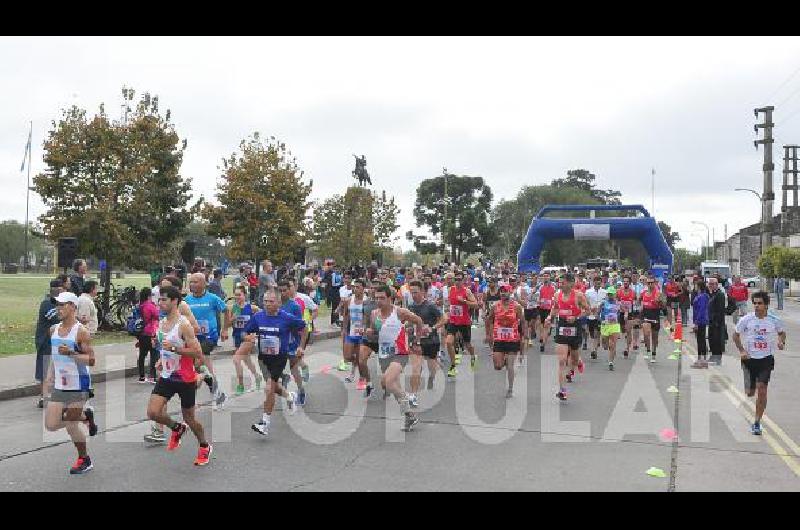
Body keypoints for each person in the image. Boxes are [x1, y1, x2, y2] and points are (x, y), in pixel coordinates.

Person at [146, 286, 212, 466]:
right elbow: (164, 346)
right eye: (159, 300)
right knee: (152, 412)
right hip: (167, 376)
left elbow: (197, 352)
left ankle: (204, 446)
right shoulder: (161, 323)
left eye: (164, 300)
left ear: (174, 301)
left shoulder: (184, 324)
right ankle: (176, 427)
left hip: (184, 378)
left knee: (190, 419)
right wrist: (161, 357)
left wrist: (174, 349)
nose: (160, 303)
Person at [43, 291, 98, 475]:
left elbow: (91, 360)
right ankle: (86, 417)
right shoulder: (53, 329)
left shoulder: (81, 331)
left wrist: (72, 354)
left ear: (73, 307)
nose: (59, 308)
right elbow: (54, 354)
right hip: (60, 384)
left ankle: (85, 459)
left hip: (79, 384)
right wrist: (50, 374)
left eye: (63, 304)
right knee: (51, 425)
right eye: (57, 304)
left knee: (70, 424)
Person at [244, 288, 307, 437]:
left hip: (280, 358)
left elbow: (304, 328)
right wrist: (248, 338)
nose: (267, 304)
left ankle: (265, 423)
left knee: (269, 388)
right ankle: (290, 396)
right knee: (273, 388)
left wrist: (300, 347)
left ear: (279, 303)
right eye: (265, 301)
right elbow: (245, 332)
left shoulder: (287, 317)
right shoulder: (258, 317)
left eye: (271, 301)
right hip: (264, 359)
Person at [364, 285, 426, 431]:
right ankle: (409, 415)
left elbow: (418, 321)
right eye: (377, 298)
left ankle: (409, 407)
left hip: (400, 353)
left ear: (390, 298)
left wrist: (417, 341)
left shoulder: (399, 312)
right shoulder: (374, 314)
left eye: (382, 298)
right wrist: (368, 332)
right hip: (383, 354)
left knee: (388, 381)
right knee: (391, 385)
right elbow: (374, 332)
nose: (379, 301)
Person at [734, 291, 786, 436]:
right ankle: (750, 388)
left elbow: (782, 332)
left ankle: (757, 422)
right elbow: (735, 335)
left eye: (760, 303)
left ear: (766, 304)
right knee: (750, 392)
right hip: (749, 360)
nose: (756, 306)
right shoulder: (746, 319)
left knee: (762, 390)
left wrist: (781, 341)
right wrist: (741, 350)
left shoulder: (773, 320)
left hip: (766, 359)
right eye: (755, 303)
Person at [184, 273, 230, 409]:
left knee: (199, 361)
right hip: (192, 337)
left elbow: (226, 310)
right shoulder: (187, 300)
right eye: (190, 282)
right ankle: (217, 393)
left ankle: (192, 399)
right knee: (203, 367)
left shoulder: (212, 298)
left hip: (209, 336)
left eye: (195, 282)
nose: (192, 285)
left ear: (204, 284)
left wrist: (225, 329)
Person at [545, 274, 590, 401]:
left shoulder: (579, 295)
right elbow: (554, 308)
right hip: (562, 328)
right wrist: (549, 318)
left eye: (562, 282)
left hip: (575, 328)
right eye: (559, 282)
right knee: (562, 361)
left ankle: (578, 361)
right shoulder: (557, 295)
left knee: (574, 361)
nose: (560, 285)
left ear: (571, 283)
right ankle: (562, 390)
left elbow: (587, 310)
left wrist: (576, 317)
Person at [408, 280, 446, 400]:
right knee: (416, 368)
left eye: (416, 292)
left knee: (431, 367)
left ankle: (431, 378)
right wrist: (408, 328)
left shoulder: (430, 306)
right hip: (415, 342)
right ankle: (413, 394)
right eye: (411, 292)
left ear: (423, 292)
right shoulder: (410, 307)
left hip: (431, 341)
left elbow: (445, 318)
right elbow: (408, 323)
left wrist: (432, 328)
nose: (413, 295)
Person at [485, 286, 526, 397]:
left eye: (505, 291)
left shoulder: (517, 306)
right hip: (499, 339)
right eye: (502, 291)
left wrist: (525, 336)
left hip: (512, 339)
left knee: (510, 366)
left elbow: (522, 322)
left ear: (510, 292)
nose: (503, 293)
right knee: (497, 366)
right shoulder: (495, 306)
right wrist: (488, 334)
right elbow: (488, 320)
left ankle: (510, 389)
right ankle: (504, 361)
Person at [35, 279, 64, 408]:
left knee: (52, 369)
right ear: (57, 289)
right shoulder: (47, 303)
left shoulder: (56, 304)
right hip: (45, 341)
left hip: (53, 341)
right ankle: (44, 396)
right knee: (45, 369)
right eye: (62, 288)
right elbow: (56, 318)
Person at [228, 286, 263, 395]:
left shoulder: (251, 307)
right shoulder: (233, 308)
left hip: (248, 338)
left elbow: (263, 314)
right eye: (236, 295)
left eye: (239, 295)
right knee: (246, 360)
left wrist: (256, 328)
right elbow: (229, 323)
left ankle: (240, 385)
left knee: (236, 359)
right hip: (237, 336)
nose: (237, 297)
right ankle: (257, 376)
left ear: (244, 295)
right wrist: (233, 318)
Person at [445, 272, 480, 376]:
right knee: (448, 342)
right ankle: (453, 366)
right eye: (456, 279)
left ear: (463, 281)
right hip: (453, 321)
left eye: (459, 279)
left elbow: (476, 305)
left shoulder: (467, 291)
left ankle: (473, 356)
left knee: (467, 345)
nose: (457, 281)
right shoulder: (450, 289)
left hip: (464, 322)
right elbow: (449, 304)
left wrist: (464, 301)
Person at [137, 287, 161, 383]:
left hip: (141, 333)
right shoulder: (150, 306)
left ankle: (141, 376)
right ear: (148, 296)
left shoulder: (140, 306)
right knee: (154, 355)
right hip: (151, 332)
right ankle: (152, 376)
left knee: (142, 355)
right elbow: (157, 316)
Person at [641, 276, 664, 363]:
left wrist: (660, 302)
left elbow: (663, 306)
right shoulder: (644, 293)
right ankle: (648, 350)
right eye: (648, 283)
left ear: (654, 283)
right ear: (646, 284)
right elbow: (639, 301)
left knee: (655, 338)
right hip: (646, 315)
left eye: (652, 283)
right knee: (646, 334)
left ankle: (653, 354)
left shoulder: (658, 293)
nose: (650, 284)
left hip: (655, 315)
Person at [599, 286, 622, 370]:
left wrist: (625, 314)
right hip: (605, 325)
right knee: (605, 342)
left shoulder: (618, 303)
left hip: (615, 325)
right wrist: (600, 320)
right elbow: (598, 312)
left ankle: (610, 362)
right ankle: (608, 347)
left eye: (612, 294)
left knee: (612, 344)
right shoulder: (603, 303)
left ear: (614, 294)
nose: (610, 295)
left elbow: (623, 311)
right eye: (609, 294)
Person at [584, 276, 606, 359]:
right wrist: (590, 309)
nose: (598, 283)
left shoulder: (604, 292)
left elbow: (606, 303)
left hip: (600, 317)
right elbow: (585, 303)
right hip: (590, 316)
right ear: (593, 282)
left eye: (599, 282)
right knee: (592, 334)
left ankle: (594, 350)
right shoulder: (588, 292)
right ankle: (594, 346)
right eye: (596, 281)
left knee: (597, 333)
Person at [707, 277, 727, 365]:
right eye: (709, 284)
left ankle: (718, 359)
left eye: (711, 284)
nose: (709, 286)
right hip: (711, 321)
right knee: (711, 340)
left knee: (717, 341)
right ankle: (713, 356)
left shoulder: (720, 294)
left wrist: (717, 322)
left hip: (717, 323)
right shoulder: (712, 294)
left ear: (716, 284)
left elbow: (720, 310)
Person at [691, 280, 710, 369]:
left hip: (701, 321)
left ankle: (702, 361)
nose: (694, 287)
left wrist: (697, 322)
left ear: (698, 286)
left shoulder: (702, 296)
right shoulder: (700, 296)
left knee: (701, 340)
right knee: (700, 340)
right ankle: (701, 360)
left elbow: (701, 310)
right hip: (700, 320)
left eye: (695, 285)